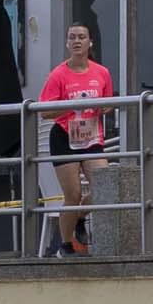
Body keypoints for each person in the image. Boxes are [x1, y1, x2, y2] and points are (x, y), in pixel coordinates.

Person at [35, 22, 111, 260]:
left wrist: (97, 108)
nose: (77, 41)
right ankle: (65, 244)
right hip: (64, 136)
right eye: (72, 38)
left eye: (81, 37)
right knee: (73, 194)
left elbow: (108, 103)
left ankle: (79, 217)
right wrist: (70, 108)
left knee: (104, 185)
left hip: (91, 136)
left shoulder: (101, 72)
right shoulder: (58, 74)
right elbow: (44, 111)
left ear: (90, 43)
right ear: (67, 44)